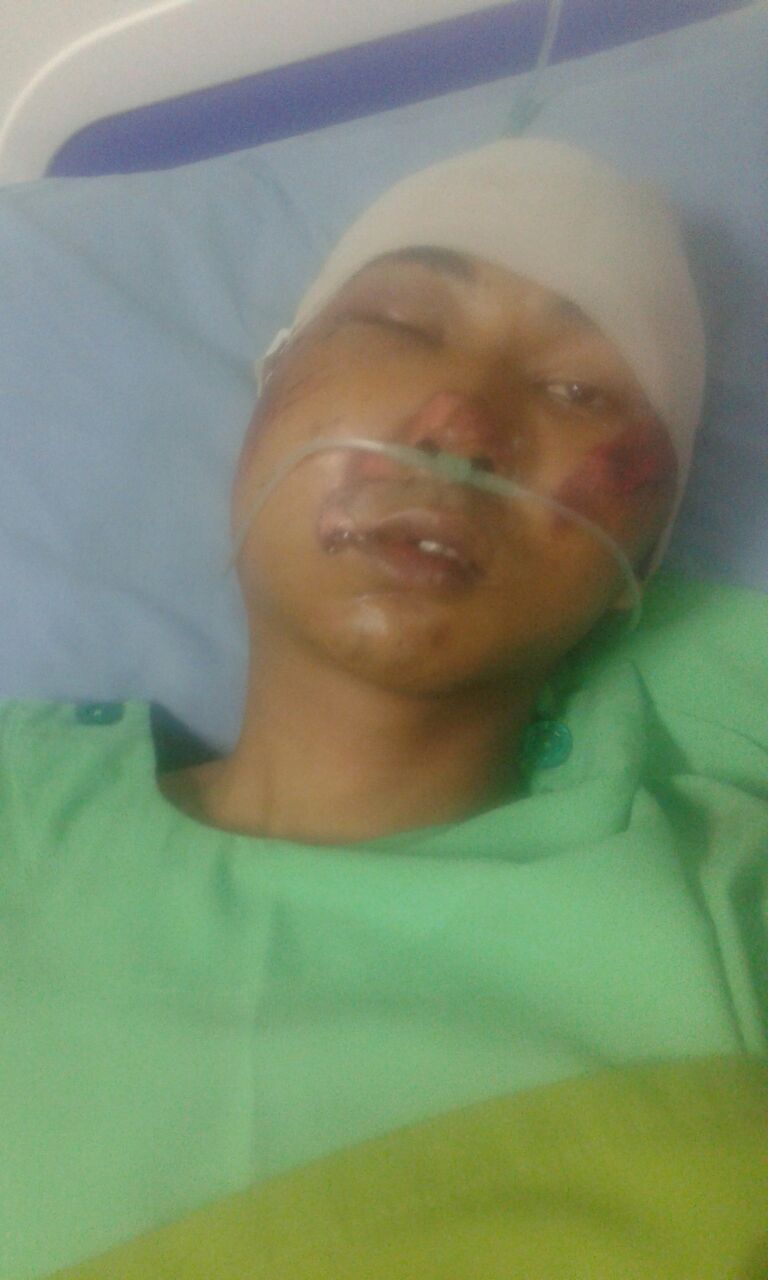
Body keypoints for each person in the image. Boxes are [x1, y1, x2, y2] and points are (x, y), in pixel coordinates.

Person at [2, 140, 767, 1280]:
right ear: (266, 399)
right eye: (398, 324)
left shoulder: (724, 910)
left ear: (640, 562)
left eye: (579, 391)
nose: (462, 424)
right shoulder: (23, 814)